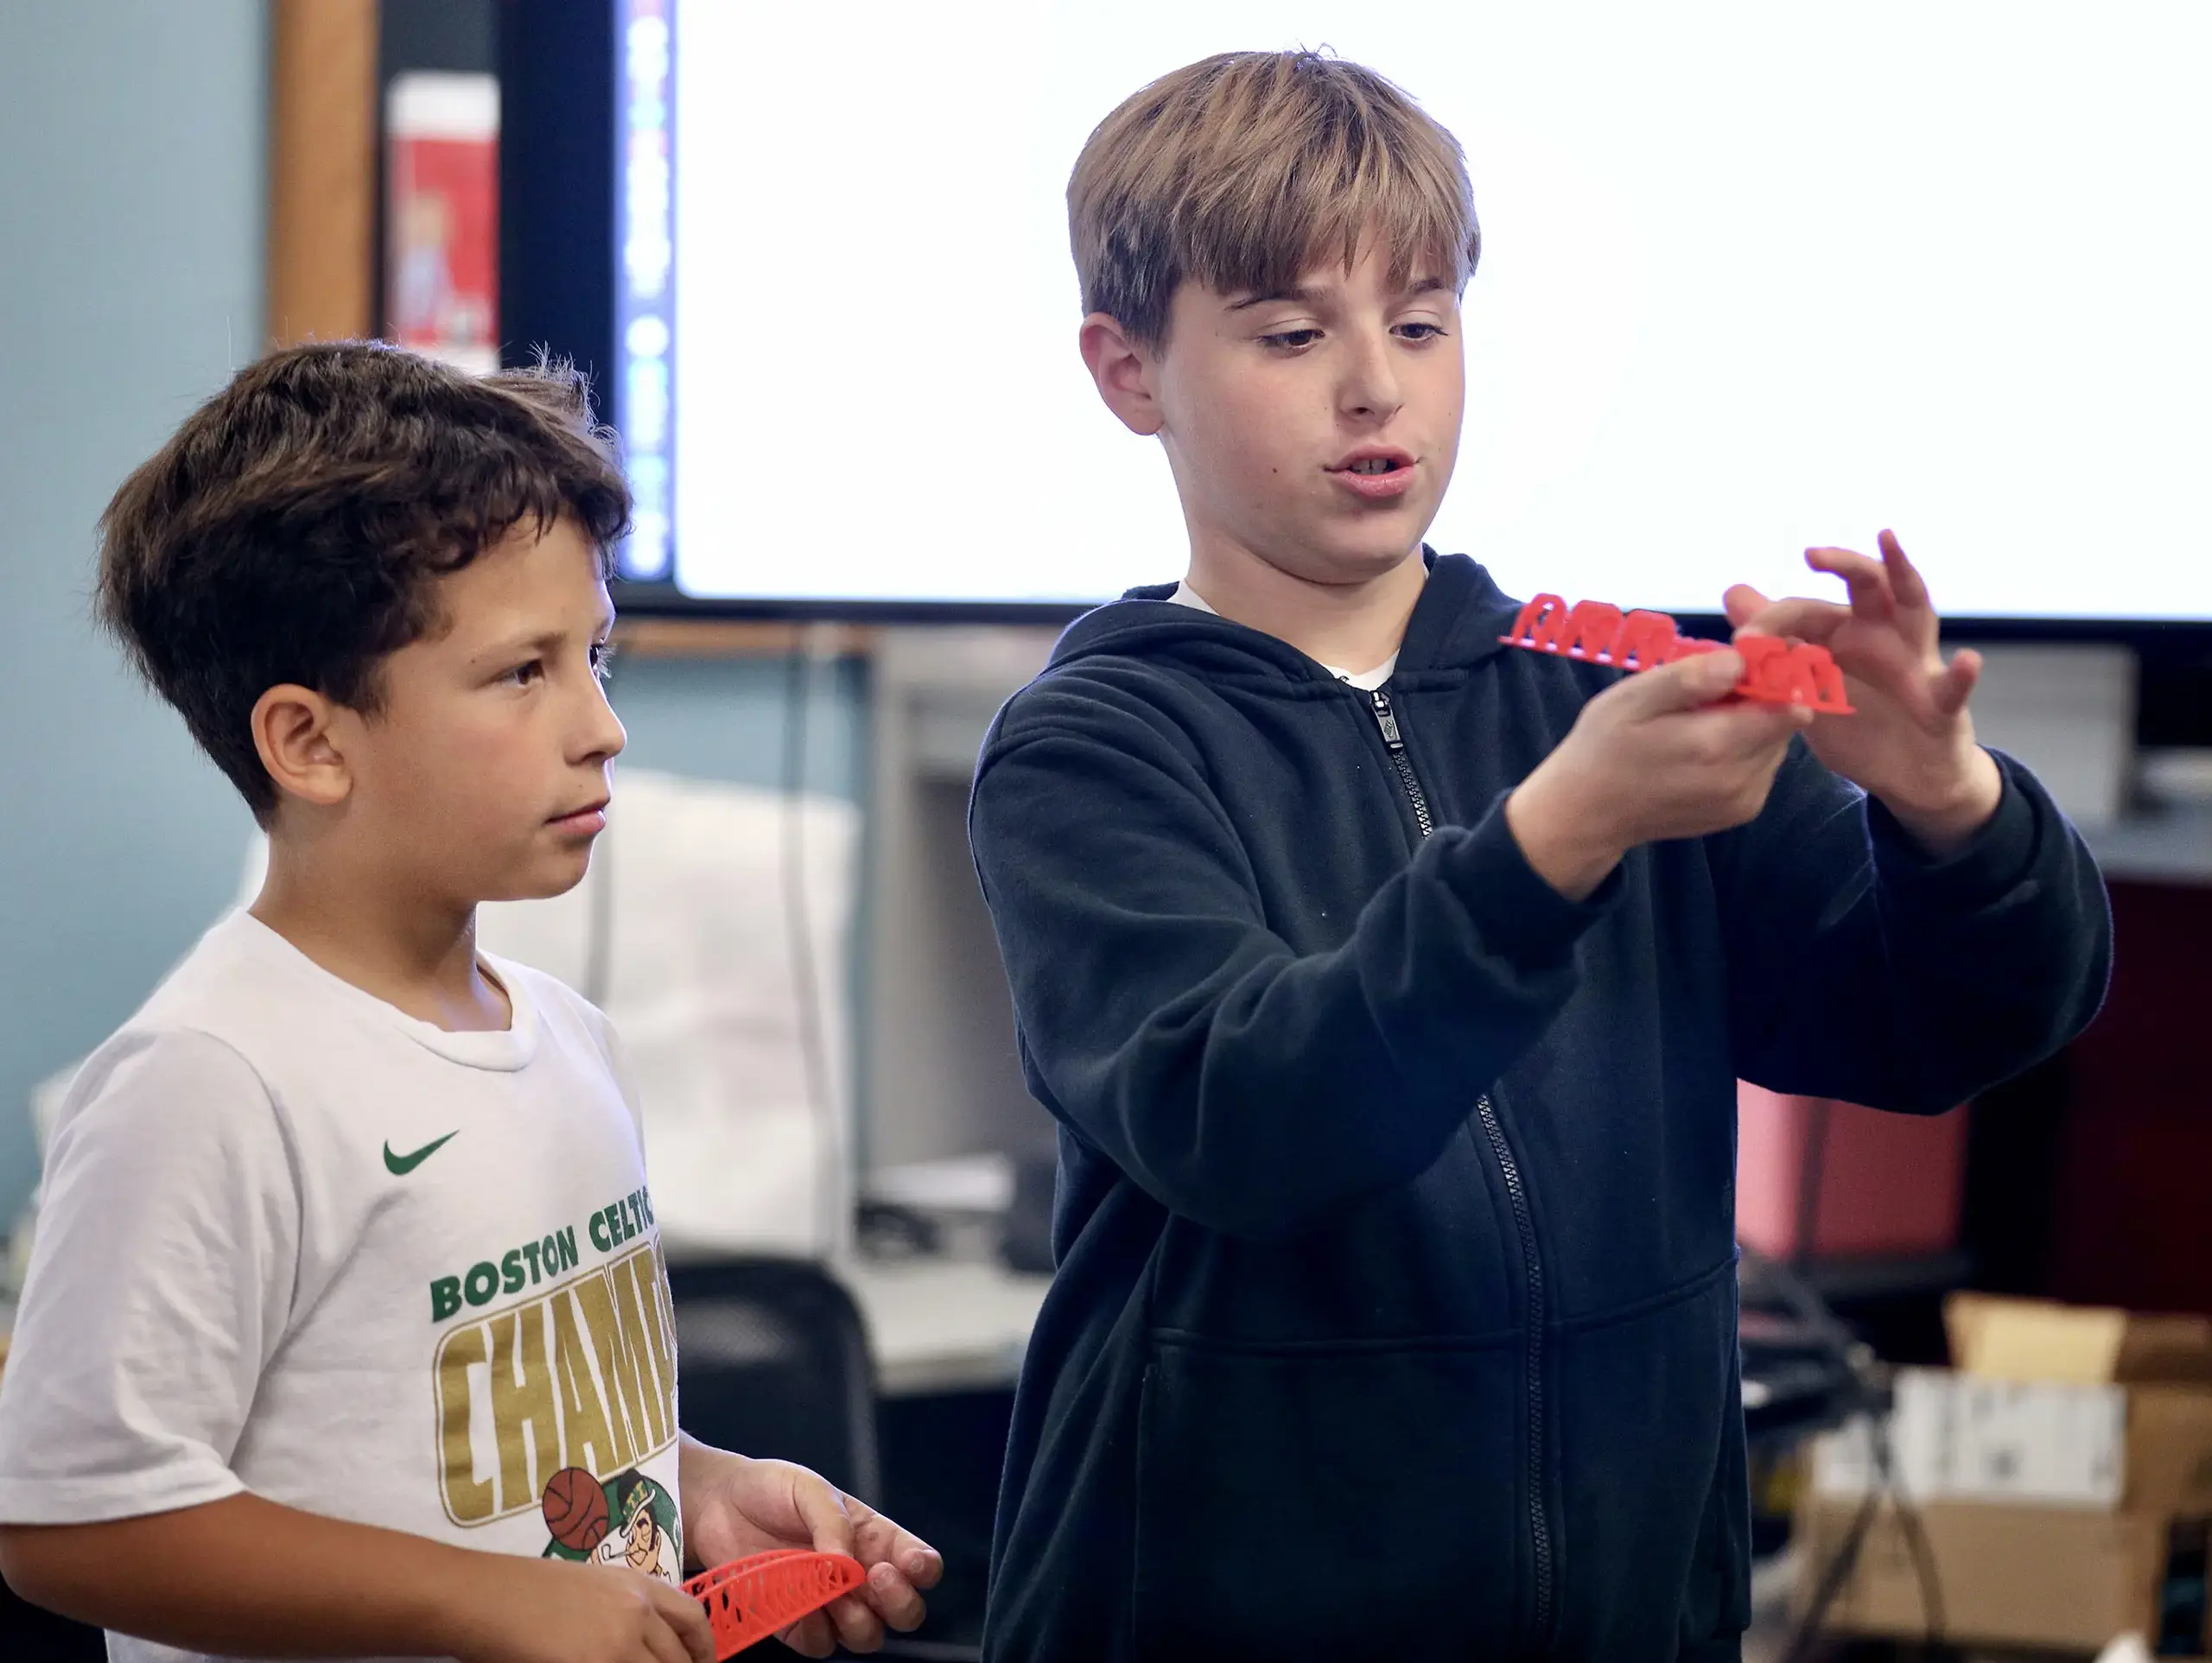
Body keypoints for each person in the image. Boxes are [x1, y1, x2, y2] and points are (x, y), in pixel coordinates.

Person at [966, 50, 2110, 1661]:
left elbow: (1951, 1029)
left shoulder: (1603, 684)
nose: (1378, 387)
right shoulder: (1094, 747)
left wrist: (1947, 799)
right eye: (1293, 335)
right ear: (1127, 370)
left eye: (1422, 323)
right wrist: (1557, 838)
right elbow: (1258, 1119)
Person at [0, 342, 941, 1663]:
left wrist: (700, 1484)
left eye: (595, 657)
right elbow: (73, 1522)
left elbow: (482, 1457)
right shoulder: (210, 1080)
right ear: (312, 742)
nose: (601, 725)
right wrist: (488, 1603)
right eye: (524, 672)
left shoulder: (563, 1038)